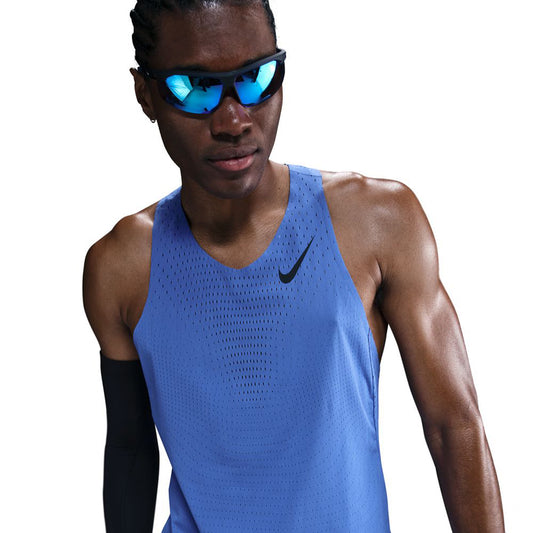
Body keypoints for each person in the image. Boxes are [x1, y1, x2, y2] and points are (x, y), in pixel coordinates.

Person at [82, 0, 505, 531]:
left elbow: (453, 425)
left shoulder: (376, 222)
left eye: (256, 79)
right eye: (194, 88)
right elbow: (129, 447)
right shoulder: (121, 266)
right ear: (146, 94)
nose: (234, 120)